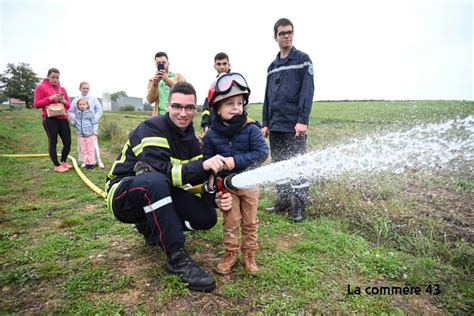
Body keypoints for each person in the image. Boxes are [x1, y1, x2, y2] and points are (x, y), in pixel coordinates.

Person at [105, 82, 232, 292]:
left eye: (189, 108)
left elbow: (192, 182)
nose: (183, 113)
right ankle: (176, 259)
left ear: (196, 110)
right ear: (168, 105)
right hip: (123, 194)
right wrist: (201, 166)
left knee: (207, 217)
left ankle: (151, 226)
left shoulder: (191, 140)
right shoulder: (152, 127)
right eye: (177, 106)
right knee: (156, 181)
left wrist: (212, 194)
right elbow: (162, 172)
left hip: (157, 191)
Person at [203, 73, 268, 275]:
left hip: (249, 184)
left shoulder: (251, 128)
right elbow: (207, 163)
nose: (236, 107)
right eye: (230, 103)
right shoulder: (212, 134)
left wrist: (235, 161)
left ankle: (249, 254)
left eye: (240, 102)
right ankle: (230, 253)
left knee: (250, 222)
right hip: (226, 187)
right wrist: (213, 187)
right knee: (230, 222)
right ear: (217, 108)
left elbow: (262, 153)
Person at [261, 18, 315, 222]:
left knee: (297, 164)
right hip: (275, 125)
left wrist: (302, 120)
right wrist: (265, 123)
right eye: (282, 33)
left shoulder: (303, 59)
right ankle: (283, 201)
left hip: (294, 125)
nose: (286, 36)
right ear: (275, 37)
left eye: (289, 32)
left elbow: (307, 92)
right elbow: (267, 96)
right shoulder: (272, 66)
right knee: (279, 164)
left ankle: (299, 206)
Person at [34, 68, 73, 173]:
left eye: (57, 77)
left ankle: (63, 161)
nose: (55, 79)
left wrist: (63, 101)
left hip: (63, 118)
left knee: (68, 142)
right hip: (50, 119)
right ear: (48, 77)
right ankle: (56, 165)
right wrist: (51, 98)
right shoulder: (40, 87)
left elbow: (68, 106)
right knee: (53, 142)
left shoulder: (62, 89)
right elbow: (36, 104)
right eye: (53, 77)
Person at [69, 82, 104, 168]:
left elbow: (99, 110)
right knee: (82, 146)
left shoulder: (93, 99)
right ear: (80, 89)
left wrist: (94, 119)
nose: (85, 90)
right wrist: (76, 120)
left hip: (90, 126)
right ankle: (85, 161)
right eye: (84, 88)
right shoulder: (76, 99)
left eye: (87, 88)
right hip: (81, 127)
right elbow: (70, 111)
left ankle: (98, 161)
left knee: (93, 145)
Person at [200, 52, 232, 134]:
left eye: (224, 64)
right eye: (219, 64)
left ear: (229, 65)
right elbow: (206, 108)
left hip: (232, 128)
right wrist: (206, 124)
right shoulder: (213, 86)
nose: (222, 67)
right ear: (215, 66)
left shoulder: (236, 83)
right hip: (215, 129)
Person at [147, 51, 186, 116]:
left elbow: (184, 91)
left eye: (164, 62)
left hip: (177, 115)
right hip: (160, 116)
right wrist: (155, 84)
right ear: (156, 65)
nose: (161, 64)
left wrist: (166, 80)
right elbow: (150, 100)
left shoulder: (178, 77)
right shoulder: (152, 80)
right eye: (158, 63)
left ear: (168, 63)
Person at [70, 98, 98, 170]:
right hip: (80, 135)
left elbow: (94, 123)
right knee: (84, 150)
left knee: (90, 149)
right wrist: (70, 121)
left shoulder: (90, 114)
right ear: (78, 106)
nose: (82, 106)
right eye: (80, 104)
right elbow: (75, 124)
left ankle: (92, 163)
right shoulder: (77, 115)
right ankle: (86, 162)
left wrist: (95, 131)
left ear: (87, 105)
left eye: (83, 104)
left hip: (89, 135)